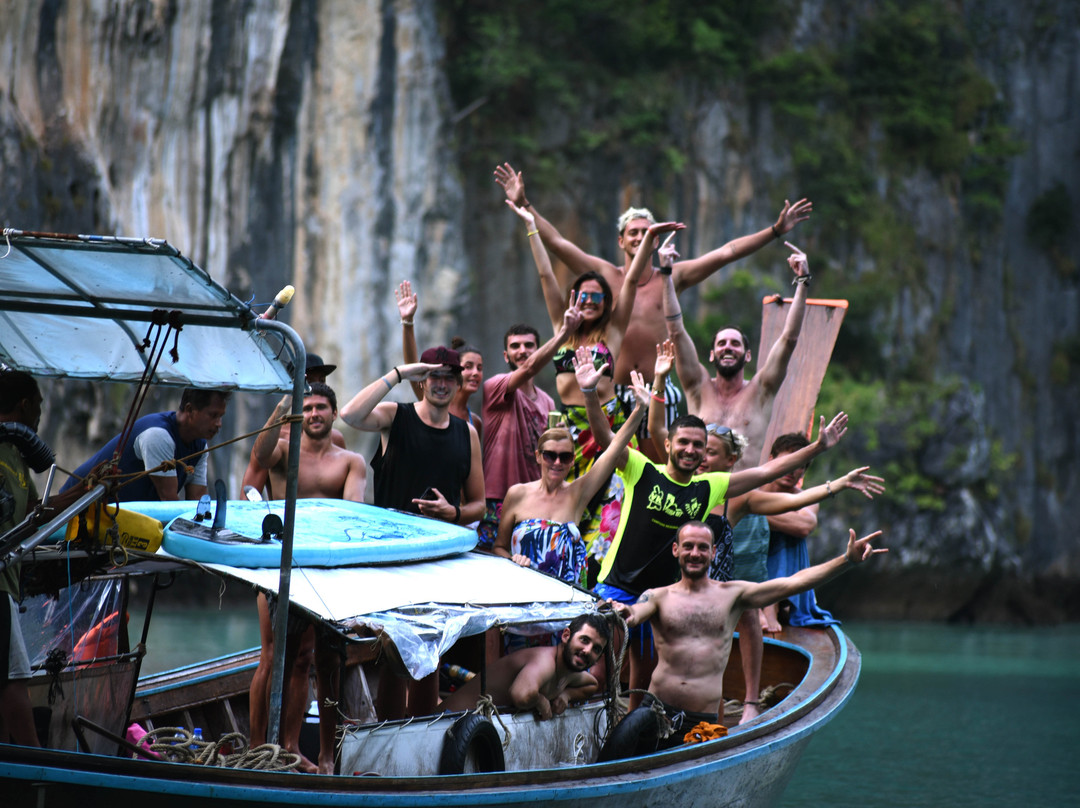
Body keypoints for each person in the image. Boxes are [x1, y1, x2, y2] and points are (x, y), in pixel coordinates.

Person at [579, 350, 849, 706]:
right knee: (600, 670)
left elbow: (767, 473)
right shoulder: (642, 469)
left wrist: (818, 447)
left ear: (705, 452)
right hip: (618, 586)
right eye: (684, 443)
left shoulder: (709, 487)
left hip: (660, 597)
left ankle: (633, 734)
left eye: (698, 446)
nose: (691, 450)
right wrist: (588, 393)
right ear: (668, 445)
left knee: (641, 673)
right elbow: (604, 437)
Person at [647, 343, 884, 722]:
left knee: (745, 618)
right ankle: (647, 698)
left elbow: (781, 487)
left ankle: (750, 700)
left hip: (723, 581)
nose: (701, 456)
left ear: (729, 460)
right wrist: (658, 384)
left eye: (710, 451)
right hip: (678, 577)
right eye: (697, 449)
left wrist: (833, 480)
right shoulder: (675, 481)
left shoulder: (731, 492)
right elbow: (657, 432)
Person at [493, 161, 811, 398]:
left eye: (646, 233)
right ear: (621, 241)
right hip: (612, 391)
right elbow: (559, 244)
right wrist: (524, 203)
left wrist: (774, 231)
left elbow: (726, 252)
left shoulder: (673, 277)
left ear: (656, 240)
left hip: (658, 387)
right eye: (633, 233)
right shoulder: (606, 277)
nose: (639, 238)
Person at [506, 199, 684, 565]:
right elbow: (545, 275)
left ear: (607, 303)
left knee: (611, 510)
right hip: (568, 428)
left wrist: (649, 238)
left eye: (597, 297)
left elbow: (632, 279)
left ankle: (603, 581)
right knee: (561, 502)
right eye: (583, 295)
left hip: (607, 424)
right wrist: (531, 227)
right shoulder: (563, 327)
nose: (589, 301)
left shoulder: (612, 332)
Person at [608, 521, 886, 753]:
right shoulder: (657, 595)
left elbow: (794, 582)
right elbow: (636, 612)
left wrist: (846, 560)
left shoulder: (733, 594)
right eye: (688, 546)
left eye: (703, 547)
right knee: (619, 757)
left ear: (714, 552)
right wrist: (624, 612)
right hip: (654, 713)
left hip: (700, 723)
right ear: (675, 550)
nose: (695, 553)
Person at [340, 351, 484, 718]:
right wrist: (399, 373)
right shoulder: (396, 416)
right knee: (395, 648)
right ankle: (389, 729)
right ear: (422, 380)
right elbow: (349, 415)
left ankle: (421, 726)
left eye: (449, 377)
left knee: (430, 650)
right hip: (393, 554)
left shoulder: (466, 433)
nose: (441, 383)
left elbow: (479, 506)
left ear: (457, 384)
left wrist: (451, 513)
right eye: (433, 376)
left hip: (439, 556)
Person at [246, 381, 367, 773]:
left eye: (321, 408)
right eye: (308, 407)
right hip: (285, 564)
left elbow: (353, 512)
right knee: (281, 656)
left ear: (333, 413)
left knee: (325, 661)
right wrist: (284, 404)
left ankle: (322, 755)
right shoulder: (283, 451)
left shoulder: (349, 461)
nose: (314, 414)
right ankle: (260, 747)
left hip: (327, 569)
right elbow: (259, 455)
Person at [492, 373, 648, 587]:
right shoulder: (517, 494)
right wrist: (512, 559)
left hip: (566, 596)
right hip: (523, 592)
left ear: (572, 460)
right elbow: (498, 547)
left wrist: (639, 410)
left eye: (564, 457)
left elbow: (613, 451)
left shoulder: (577, 493)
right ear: (538, 456)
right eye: (549, 455)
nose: (556, 462)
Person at [62, 388, 229, 501]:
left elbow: (197, 501)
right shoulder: (158, 435)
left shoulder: (200, 445)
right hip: (78, 509)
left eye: (221, 416)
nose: (219, 424)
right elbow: (169, 501)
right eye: (213, 415)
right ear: (190, 409)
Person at [760, 432, 850, 632]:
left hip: (781, 568)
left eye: (799, 464)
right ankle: (763, 605)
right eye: (787, 462)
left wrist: (752, 512)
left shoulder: (804, 498)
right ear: (771, 460)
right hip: (747, 564)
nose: (791, 470)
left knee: (790, 537)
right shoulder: (752, 489)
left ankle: (772, 604)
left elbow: (804, 526)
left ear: (804, 471)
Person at [440, 613, 610, 719]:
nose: (587, 651)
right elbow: (521, 694)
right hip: (445, 722)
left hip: (474, 727)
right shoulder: (546, 661)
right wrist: (540, 700)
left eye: (596, 649)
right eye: (584, 640)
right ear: (566, 636)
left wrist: (566, 695)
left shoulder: (568, 671)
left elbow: (592, 684)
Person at [0, 370, 45, 747]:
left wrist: (86, 489)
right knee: (14, 678)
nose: (41, 415)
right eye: (39, 406)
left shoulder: (18, 454)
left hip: (9, 582)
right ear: (25, 405)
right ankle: (36, 762)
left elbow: (35, 512)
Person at [240, 353, 346, 499]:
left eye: (321, 382)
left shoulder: (335, 439)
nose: (314, 389)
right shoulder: (274, 440)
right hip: (287, 519)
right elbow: (248, 496)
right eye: (307, 382)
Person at [396, 281, 485, 442]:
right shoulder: (434, 400)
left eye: (479, 368)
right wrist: (408, 323)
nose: (475, 373)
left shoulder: (475, 422)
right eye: (468, 367)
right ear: (455, 372)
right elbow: (412, 367)